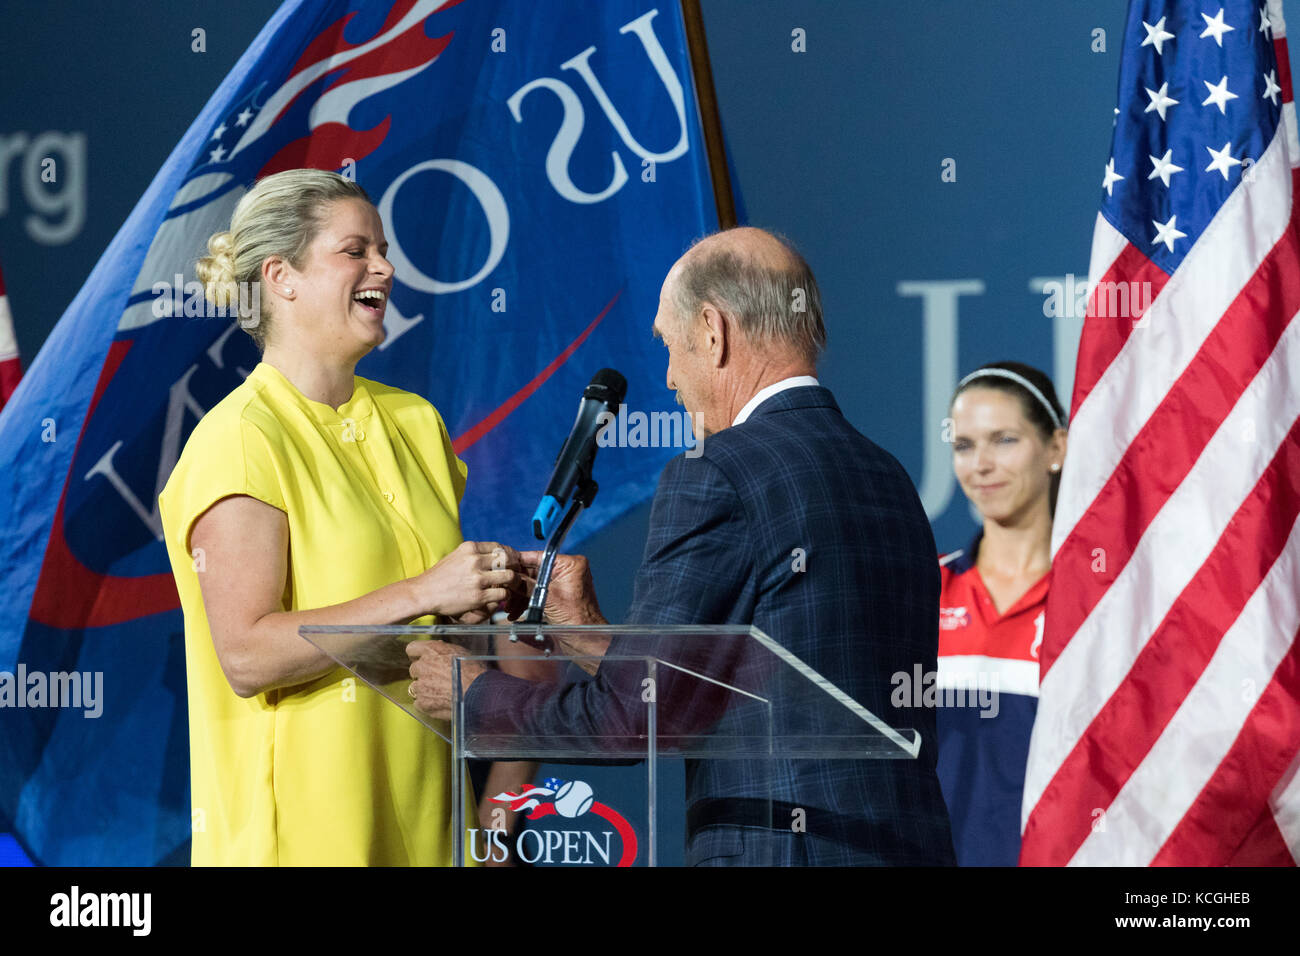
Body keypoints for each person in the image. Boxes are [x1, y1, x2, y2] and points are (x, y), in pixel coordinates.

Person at [408, 226, 957, 866]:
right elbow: (745, 685)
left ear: (713, 330)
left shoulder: (717, 470)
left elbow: (631, 723)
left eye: (669, 346)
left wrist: (476, 696)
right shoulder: (885, 473)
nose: (668, 377)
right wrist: (584, 632)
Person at [157, 168, 541, 865]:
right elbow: (246, 654)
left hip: (429, 829)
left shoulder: (416, 423)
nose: (385, 268)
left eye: (384, 249)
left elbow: (442, 630)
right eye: (355, 250)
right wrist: (426, 592)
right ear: (282, 277)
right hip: (301, 841)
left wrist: (493, 593)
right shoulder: (240, 437)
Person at [934, 361, 1068, 866]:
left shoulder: (1095, 601)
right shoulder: (925, 589)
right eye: (964, 446)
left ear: (1056, 447)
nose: (980, 465)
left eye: (1004, 440)